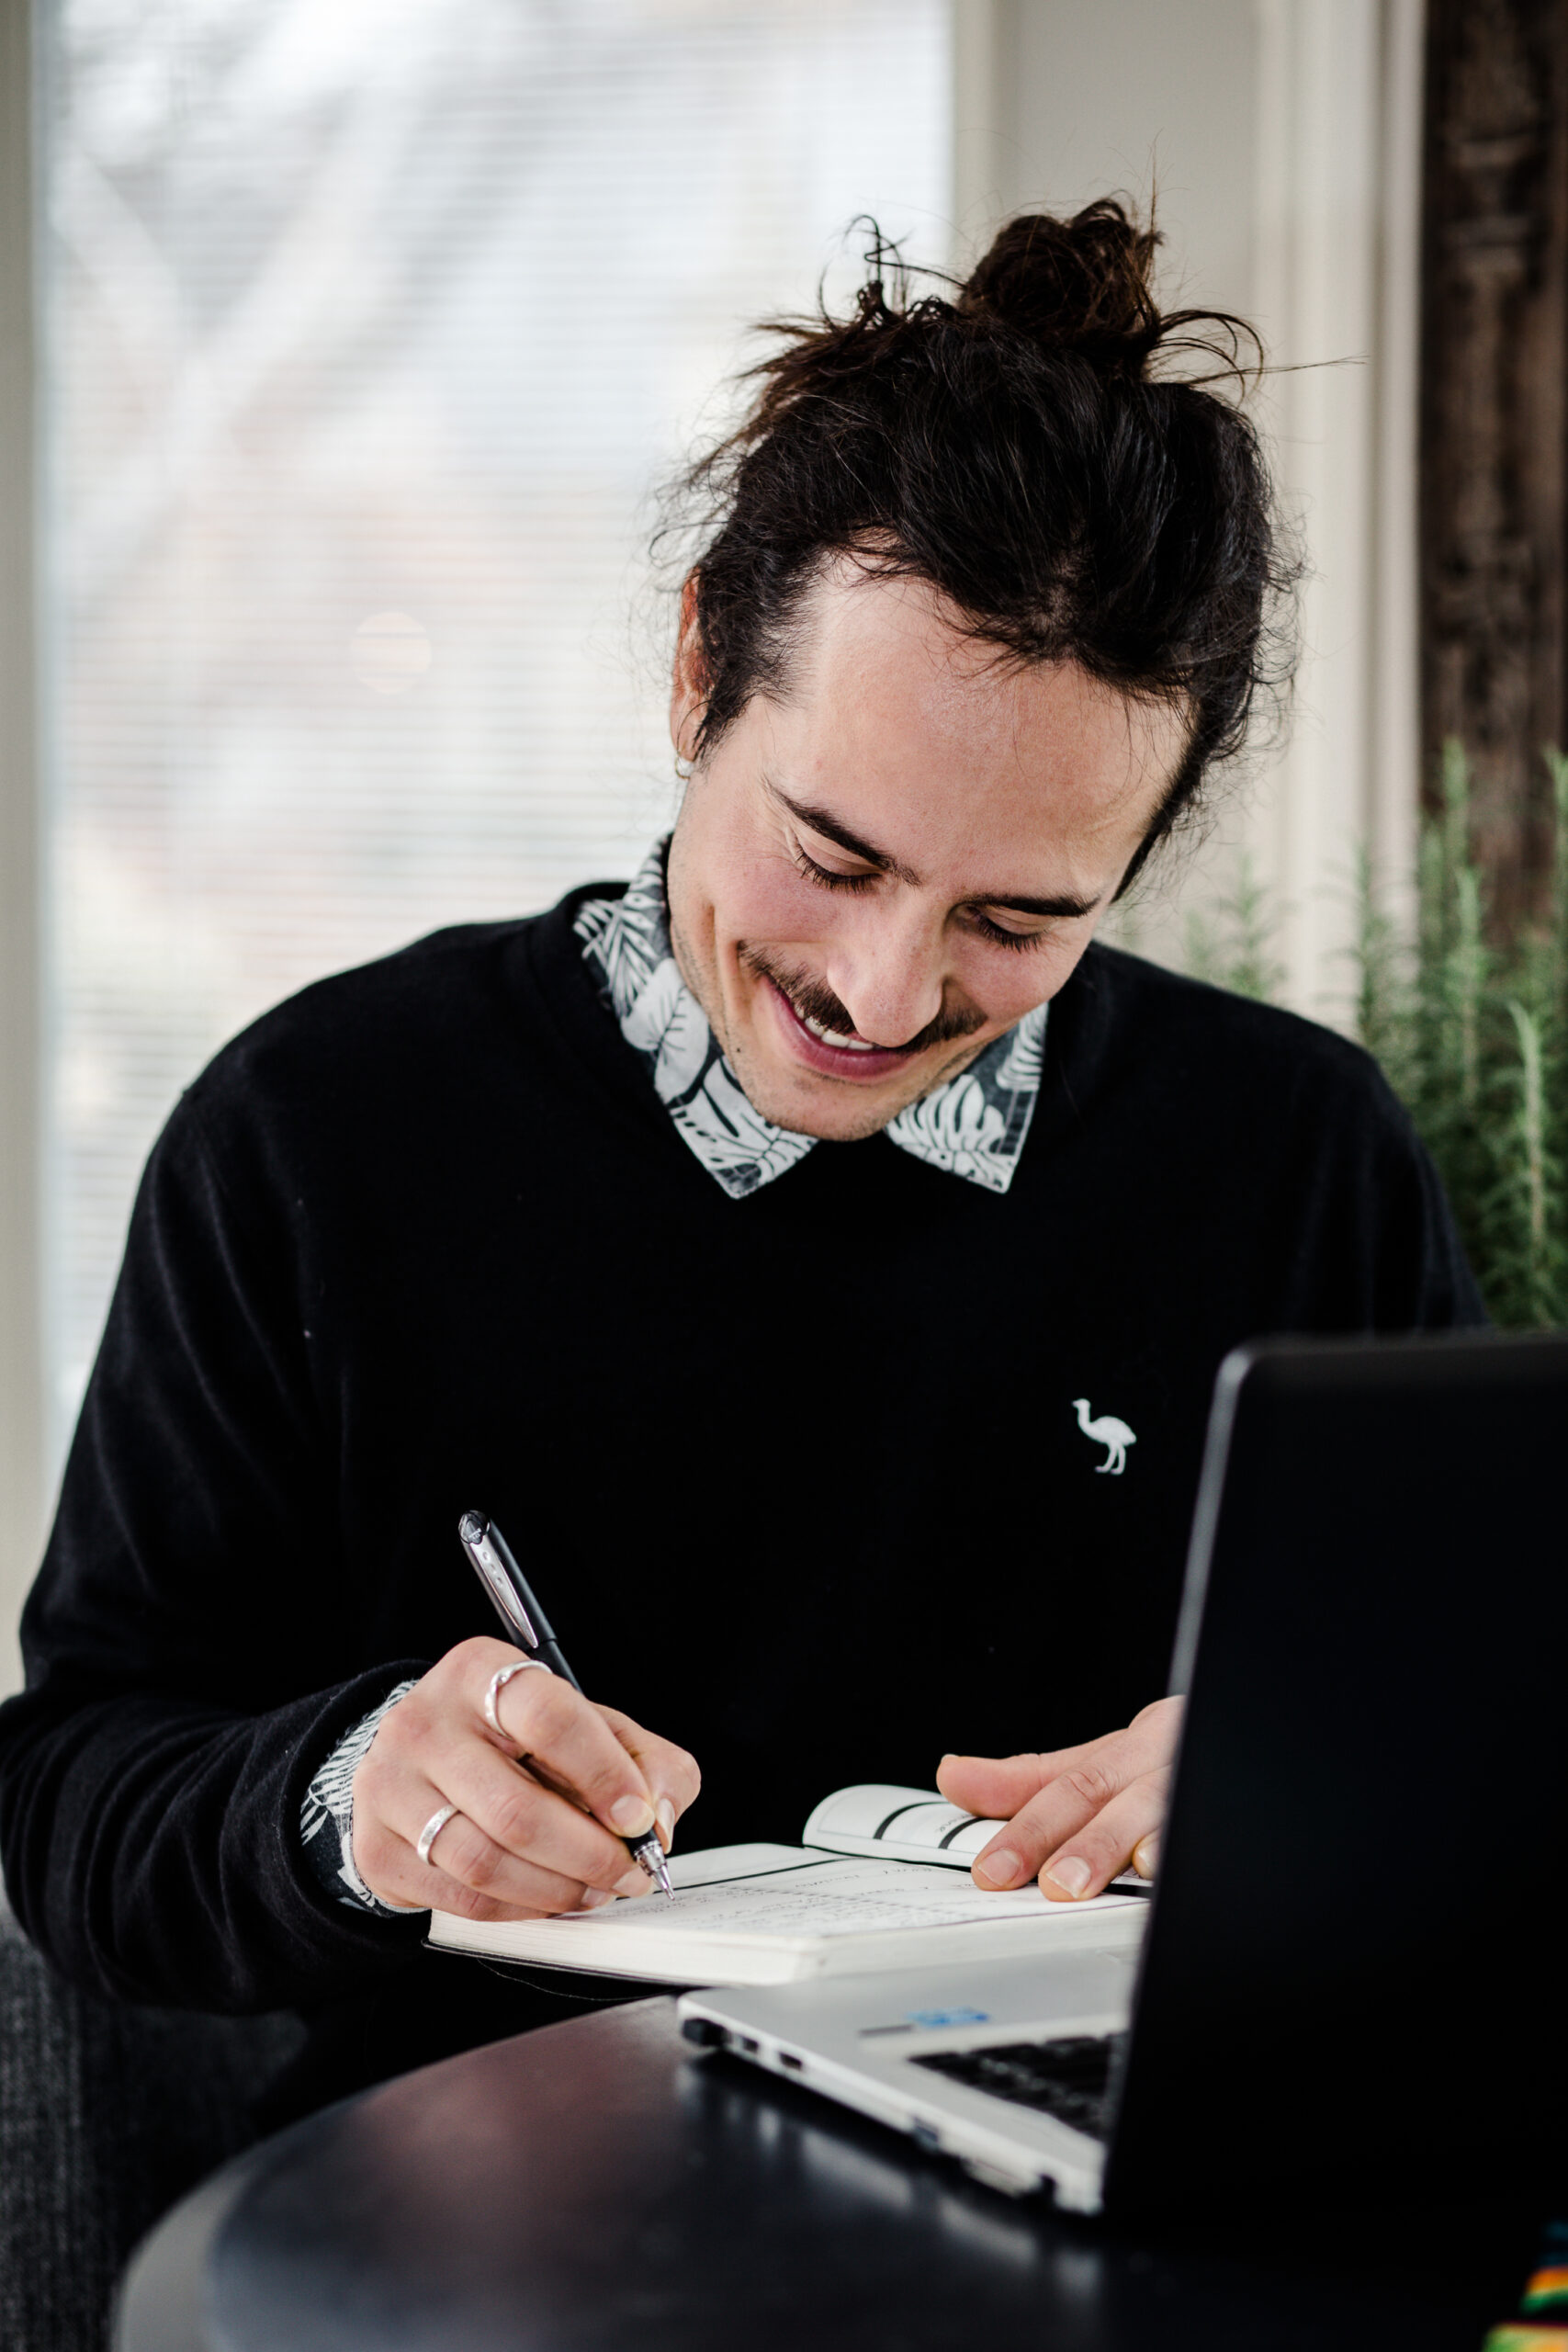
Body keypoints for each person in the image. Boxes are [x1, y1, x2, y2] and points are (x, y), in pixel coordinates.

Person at [0, 204, 1483, 2113]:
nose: (879, 989)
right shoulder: (313, 1133)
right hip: (479, 2243)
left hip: (1114, 2229)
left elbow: (1481, 1747)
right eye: (834, 852)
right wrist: (345, 1793)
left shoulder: (1299, 1160)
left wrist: (1327, 1772)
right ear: (702, 663)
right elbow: (72, 1795)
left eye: (1017, 918)